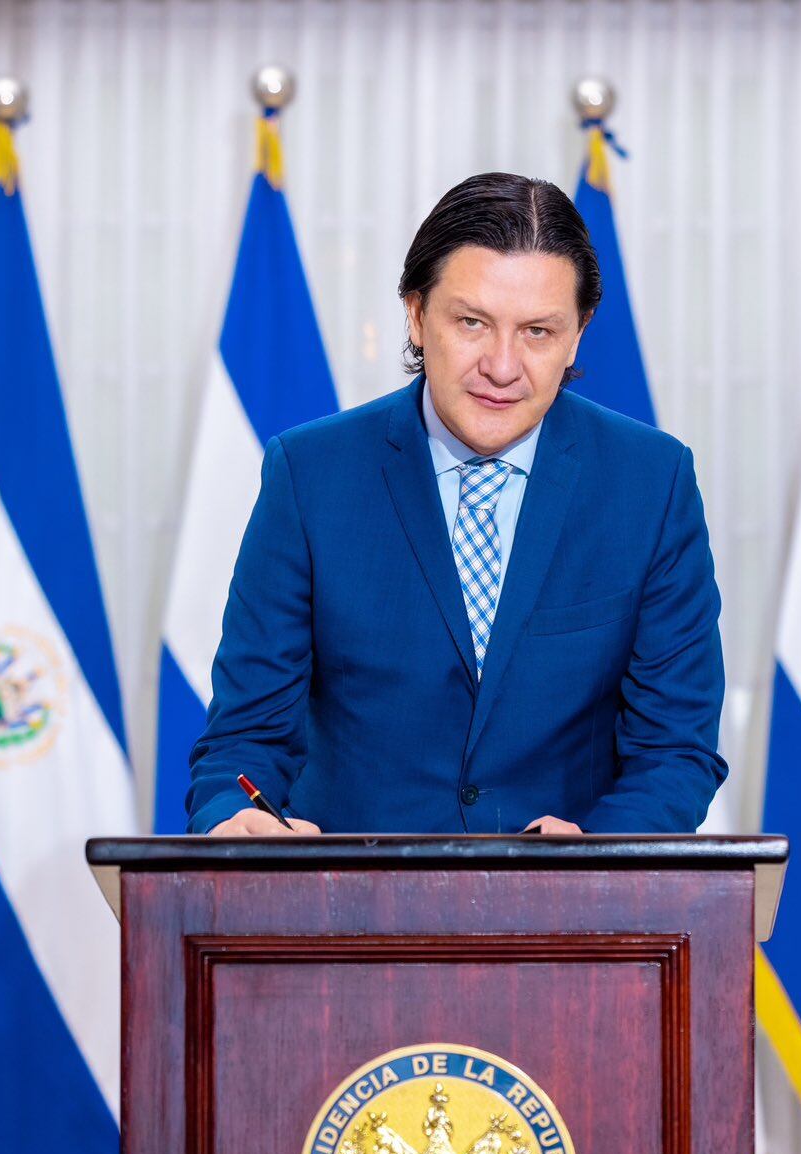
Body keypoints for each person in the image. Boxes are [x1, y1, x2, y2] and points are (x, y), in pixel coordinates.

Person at [187, 171, 725, 836]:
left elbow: (675, 750)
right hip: (350, 917)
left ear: (579, 333)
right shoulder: (310, 475)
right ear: (416, 314)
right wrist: (236, 818)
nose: (502, 366)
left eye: (537, 332)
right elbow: (242, 742)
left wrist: (600, 854)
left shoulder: (651, 482)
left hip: (572, 923)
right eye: (473, 323)